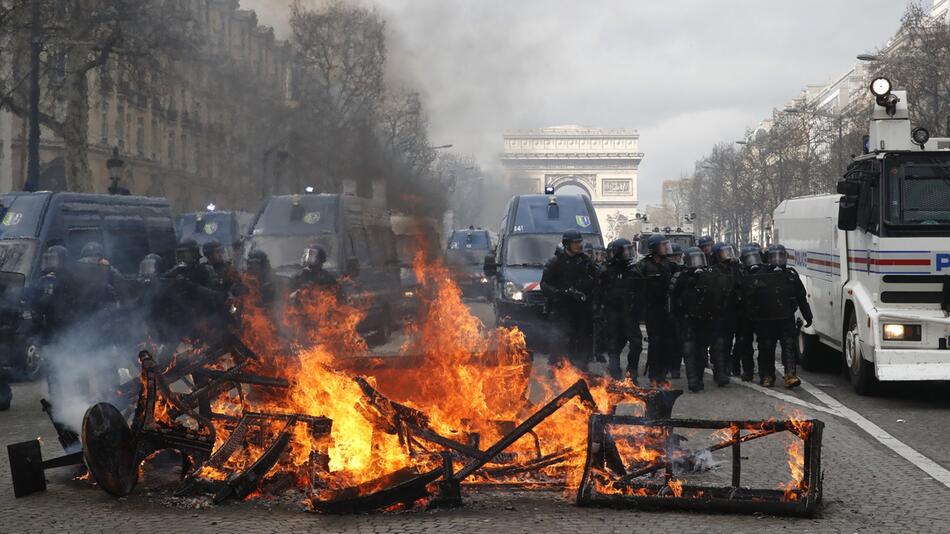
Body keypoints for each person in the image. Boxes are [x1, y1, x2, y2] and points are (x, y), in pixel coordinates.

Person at [747, 244, 813, 388]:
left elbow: (801, 296)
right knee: (766, 347)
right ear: (768, 258)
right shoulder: (760, 274)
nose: (777, 260)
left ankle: (790, 374)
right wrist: (752, 319)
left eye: (780, 257)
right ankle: (767, 376)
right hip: (766, 319)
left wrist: (808, 316)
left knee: (788, 345)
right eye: (774, 257)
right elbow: (752, 298)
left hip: (785, 317)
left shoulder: (791, 275)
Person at [540, 230, 596, 373]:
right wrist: (560, 293)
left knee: (582, 338)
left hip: (581, 308)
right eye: (575, 242)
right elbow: (544, 284)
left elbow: (595, 279)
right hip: (561, 308)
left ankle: (581, 367)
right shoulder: (555, 262)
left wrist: (583, 289)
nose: (579, 245)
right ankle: (555, 367)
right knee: (559, 337)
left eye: (579, 242)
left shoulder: (585, 261)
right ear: (567, 244)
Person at [668, 247, 716, 392]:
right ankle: (692, 381)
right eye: (694, 260)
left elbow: (714, 295)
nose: (697, 264)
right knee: (689, 350)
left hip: (703, 319)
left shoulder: (708, 275)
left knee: (701, 352)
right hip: (686, 319)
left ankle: (699, 379)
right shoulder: (680, 276)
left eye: (700, 260)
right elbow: (672, 296)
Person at [633, 234, 675, 386]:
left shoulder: (669, 264)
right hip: (652, 310)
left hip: (666, 310)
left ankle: (662, 375)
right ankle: (654, 375)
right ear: (655, 248)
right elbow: (635, 286)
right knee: (655, 343)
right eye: (662, 245)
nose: (665, 248)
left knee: (666, 343)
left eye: (665, 245)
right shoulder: (643, 265)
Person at [600, 238, 642, 381]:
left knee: (636, 344)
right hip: (612, 314)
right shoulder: (606, 271)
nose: (628, 254)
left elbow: (641, 292)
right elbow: (597, 293)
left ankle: (632, 374)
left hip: (629, 314)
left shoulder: (634, 271)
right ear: (618, 253)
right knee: (614, 346)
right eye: (625, 251)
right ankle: (615, 375)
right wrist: (598, 311)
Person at [706, 242, 740, 387]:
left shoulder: (734, 269)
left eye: (729, 252)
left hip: (731, 312)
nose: (728, 256)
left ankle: (726, 367)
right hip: (716, 312)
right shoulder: (712, 272)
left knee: (727, 342)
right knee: (718, 342)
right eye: (723, 253)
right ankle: (719, 372)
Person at [732, 244, 763, 381]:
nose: (752, 262)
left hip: (760, 313)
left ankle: (764, 372)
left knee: (764, 345)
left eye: (754, 257)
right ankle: (747, 370)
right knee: (744, 344)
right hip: (743, 314)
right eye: (749, 259)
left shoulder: (764, 272)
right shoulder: (738, 273)